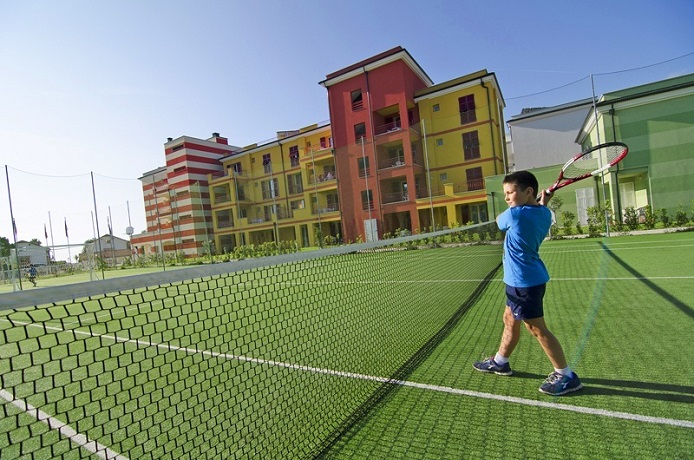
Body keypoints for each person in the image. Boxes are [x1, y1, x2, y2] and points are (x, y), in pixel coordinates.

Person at [473, 171, 583, 396]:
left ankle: (565, 375)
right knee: (509, 319)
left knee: (536, 328)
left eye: (510, 192)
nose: (506, 197)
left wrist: (540, 201)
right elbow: (538, 208)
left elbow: (499, 222)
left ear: (528, 191)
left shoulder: (516, 215)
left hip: (524, 282)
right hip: (524, 278)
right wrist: (543, 201)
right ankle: (500, 361)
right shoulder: (544, 213)